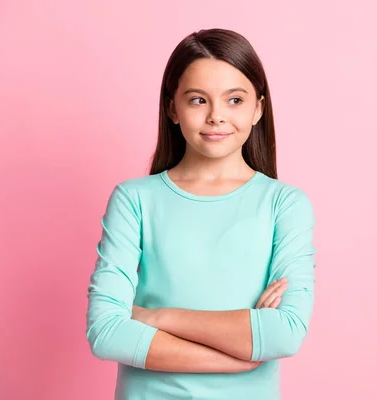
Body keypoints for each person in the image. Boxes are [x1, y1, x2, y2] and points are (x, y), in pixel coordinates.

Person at [85, 28, 317, 399]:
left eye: (235, 100)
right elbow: (107, 333)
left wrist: (154, 317)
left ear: (258, 108)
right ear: (172, 108)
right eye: (197, 100)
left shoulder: (284, 205)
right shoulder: (134, 200)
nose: (216, 117)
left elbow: (284, 333)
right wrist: (236, 352)